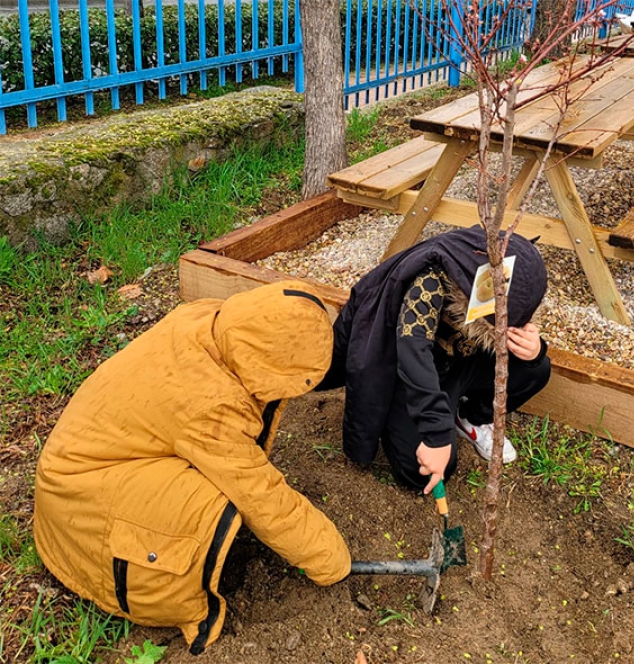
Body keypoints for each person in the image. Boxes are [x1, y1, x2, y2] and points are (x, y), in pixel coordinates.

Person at [33, 281, 351, 655]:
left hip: (83, 457)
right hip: (79, 501)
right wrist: (330, 560)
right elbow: (261, 495)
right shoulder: (210, 408)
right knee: (205, 503)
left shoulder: (207, 318)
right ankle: (169, 597)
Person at [318, 226, 551, 494]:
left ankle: (470, 417)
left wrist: (534, 350)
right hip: (412, 377)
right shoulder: (428, 281)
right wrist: (436, 433)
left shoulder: (505, 273)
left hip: (463, 364)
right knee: (421, 473)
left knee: (536, 369)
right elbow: (412, 353)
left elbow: (517, 339)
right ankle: (407, 420)